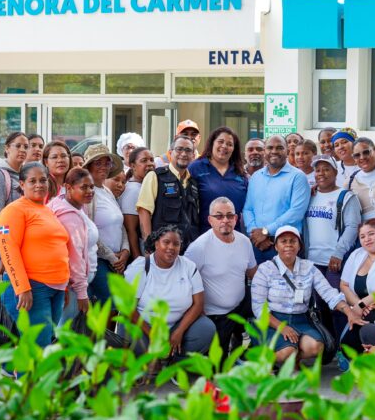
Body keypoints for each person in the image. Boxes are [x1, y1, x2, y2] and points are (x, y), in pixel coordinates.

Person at [251, 226, 362, 365]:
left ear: (299, 246)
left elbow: (329, 293)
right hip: (273, 321)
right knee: (287, 351)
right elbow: (258, 307)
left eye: (293, 241)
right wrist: (281, 327)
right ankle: (267, 361)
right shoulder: (265, 269)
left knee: (315, 347)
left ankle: (291, 362)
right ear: (276, 247)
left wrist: (349, 312)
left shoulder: (309, 268)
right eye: (283, 241)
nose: (288, 245)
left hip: (301, 320)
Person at [0, 162, 70, 348]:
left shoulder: (47, 210)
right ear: (22, 184)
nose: (39, 185)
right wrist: (22, 288)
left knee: (43, 342)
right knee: (36, 346)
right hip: (32, 287)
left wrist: (64, 286)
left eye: (43, 180)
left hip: (55, 288)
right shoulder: (14, 210)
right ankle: (24, 378)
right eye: (32, 181)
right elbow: (8, 249)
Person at [122, 226, 216, 358]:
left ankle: (176, 363)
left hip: (176, 325)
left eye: (176, 244)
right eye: (166, 242)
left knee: (206, 328)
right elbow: (129, 308)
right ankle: (147, 364)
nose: (171, 247)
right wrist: (152, 335)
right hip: (145, 326)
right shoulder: (140, 267)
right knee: (127, 330)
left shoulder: (188, 266)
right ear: (156, 244)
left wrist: (179, 331)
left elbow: (198, 303)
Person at [184, 197, 258, 357]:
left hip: (239, 309)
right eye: (219, 216)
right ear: (210, 220)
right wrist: (197, 311)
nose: (225, 220)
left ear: (236, 218)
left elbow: (254, 274)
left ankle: (243, 338)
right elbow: (184, 283)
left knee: (263, 296)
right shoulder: (198, 247)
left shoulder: (244, 242)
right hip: (213, 315)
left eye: (230, 215)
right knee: (218, 368)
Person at [243, 136, 311, 263]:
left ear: (287, 151)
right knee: (258, 282)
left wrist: (265, 231)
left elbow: (296, 212)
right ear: (265, 151)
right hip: (257, 243)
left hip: (286, 244)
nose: (274, 151)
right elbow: (248, 208)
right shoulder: (256, 177)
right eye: (270, 147)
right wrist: (255, 234)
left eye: (279, 148)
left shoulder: (298, 177)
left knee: (286, 282)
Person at [338, 220, 375, 353]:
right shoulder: (357, 254)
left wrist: (361, 306)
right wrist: (360, 305)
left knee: (359, 341)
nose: (367, 239)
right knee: (347, 345)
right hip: (360, 310)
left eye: (371, 234)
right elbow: (344, 284)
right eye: (362, 236)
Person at [49, 167, 98, 324]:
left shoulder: (73, 205)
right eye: (84, 187)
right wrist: (82, 293)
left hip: (74, 284)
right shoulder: (69, 216)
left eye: (91, 186)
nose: (90, 191)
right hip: (72, 286)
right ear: (68, 188)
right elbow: (74, 257)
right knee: (65, 331)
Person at [83, 144, 129, 305]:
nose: (103, 167)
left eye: (107, 163)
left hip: (116, 259)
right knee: (109, 304)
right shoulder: (87, 193)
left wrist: (125, 250)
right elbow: (87, 230)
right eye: (98, 163)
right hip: (98, 259)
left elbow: (120, 223)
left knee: (113, 308)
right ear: (88, 166)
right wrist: (111, 257)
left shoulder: (106, 191)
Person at [303, 155, 360, 284]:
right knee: (317, 303)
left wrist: (338, 253)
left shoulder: (346, 197)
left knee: (336, 302)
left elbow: (352, 227)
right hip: (312, 262)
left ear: (335, 172)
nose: (321, 173)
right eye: (317, 170)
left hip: (335, 262)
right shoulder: (309, 196)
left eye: (326, 169)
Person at [138, 135, 201, 251]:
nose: (183, 153)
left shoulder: (194, 184)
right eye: (179, 149)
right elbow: (144, 212)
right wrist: (148, 246)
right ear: (170, 153)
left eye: (188, 150)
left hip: (189, 250)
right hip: (163, 250)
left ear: (193, 155)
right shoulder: (155, 176)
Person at [0, 131, 28, 282]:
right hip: (1, 244)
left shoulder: (24, 174)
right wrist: (2, 249)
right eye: (18, 146)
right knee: (1, 293)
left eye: (26, 147)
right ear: (7, 148)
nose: (22, 150)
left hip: (20, 242)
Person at [187, 126, 249, 234]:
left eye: (230, 144)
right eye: (220, 141)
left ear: (234, 149)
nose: (224, 146)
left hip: (234, 236)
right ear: (212, 143)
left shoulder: (240, 173)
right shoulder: (196, 168)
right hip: (204, 236)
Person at [121, 146, 156, 259]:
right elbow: (131, 230)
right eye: (144, 161)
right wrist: (137, 258)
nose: (150, 164)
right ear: (132, 165)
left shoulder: (146, 185)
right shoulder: (133, 190)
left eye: (151, 159)